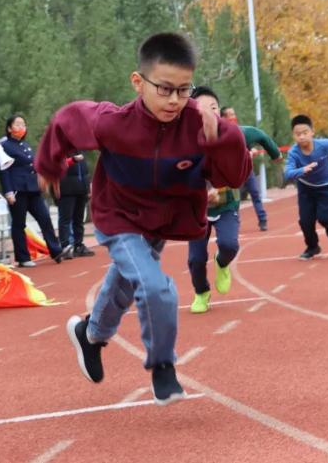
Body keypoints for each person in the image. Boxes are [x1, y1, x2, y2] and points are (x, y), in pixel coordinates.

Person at [35, 32, 250, 405]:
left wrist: (218, 139)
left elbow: (233, 177)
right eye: (165, 89)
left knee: (123, 283)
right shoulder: (112, 123)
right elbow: (67, 121)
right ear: (139, 82)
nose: (174, 100)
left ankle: (91, 334)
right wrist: (49, 163)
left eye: (184, 91)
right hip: (117, 216)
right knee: (155, 286)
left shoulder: (199, 126)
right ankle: (163, 365)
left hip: (160, 220)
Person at [187, 87, 241, 314]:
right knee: (195, 260)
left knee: (229, 245)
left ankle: (222, 263)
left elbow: (238, 172)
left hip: (227, 204)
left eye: (214, 108)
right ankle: (201, 292)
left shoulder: (231, 137)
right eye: (202, 109)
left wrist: (219, 189)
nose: (209, 112)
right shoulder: (186, 142)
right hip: (197, 210)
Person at [0, 115, 72, 267]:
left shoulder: (25, 145)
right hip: (18, 189)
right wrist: (8, 191)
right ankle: (23, 258)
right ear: (9, 129)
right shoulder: (5, 146)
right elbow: (3, 170)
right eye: (17, 124)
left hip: (33, 189)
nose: (21, 127)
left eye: (23, 124)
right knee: (19, 224)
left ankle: (56, 251)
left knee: (44, 218)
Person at [284, 114, 328, 260]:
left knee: (324, 217)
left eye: (305, 133)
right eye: (298, 134)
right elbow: (288, 173)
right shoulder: (293, 153)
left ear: (312, 132)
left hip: (325, 186)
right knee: (305, 221)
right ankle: (312, 246)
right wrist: (302, 170)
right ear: (293, 136)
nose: (302, 137)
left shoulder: (323, 145)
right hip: (306, 188)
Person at [220, 106, 282, 231]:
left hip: (246, 169)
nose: (233, 117)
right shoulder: (218, 134)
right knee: (233, 197)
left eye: (234, 114)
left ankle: (262, 220)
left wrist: (251, 150)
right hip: (231, 173)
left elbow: (252, 143)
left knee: (255, 193)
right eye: (230, 114)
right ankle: (233, 223)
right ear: (222, 118)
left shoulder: (240, 132)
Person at [56, 152, 95, 257]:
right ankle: (65, 246)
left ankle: (79, 245)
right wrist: (72, 159)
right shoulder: (60, 149)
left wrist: (88, 186)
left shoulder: (81, 149)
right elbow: (56, 166)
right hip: (67, 189)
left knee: (79, 220)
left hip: (81, 189)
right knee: (65, 219)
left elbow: (85, 171)